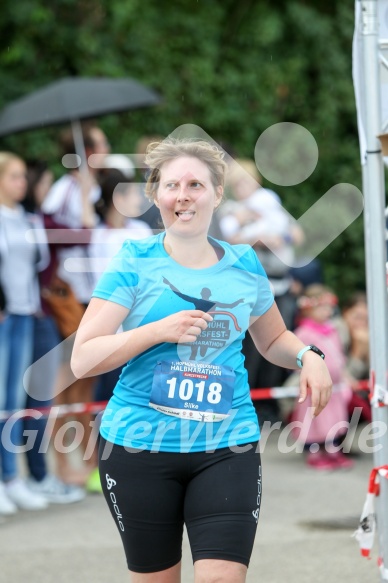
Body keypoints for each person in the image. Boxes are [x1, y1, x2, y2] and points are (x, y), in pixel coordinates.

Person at [71, 138, 332, 582]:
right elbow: (83, 358)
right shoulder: (135, 261)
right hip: (139, 445)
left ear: (217, 194)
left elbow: (273, 340)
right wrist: (157, 331)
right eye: (172, 185)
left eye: (196, 184)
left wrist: (309, 354)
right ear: (156, 195)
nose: (184, 195)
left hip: (226, 445)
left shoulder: (245, 263)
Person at [22, 160, 86, 504]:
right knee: (29, 397)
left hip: (42, 315)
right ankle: (30, 475)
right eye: (44, 183)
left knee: (41, 396)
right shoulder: (31, 221)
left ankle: (39, 474)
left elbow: (84, 233)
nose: (48, 191)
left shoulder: (38, 220)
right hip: (28, 316)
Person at [0, 152, 49, 514]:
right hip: (4, 317)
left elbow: (41, 261)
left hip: (25, 313)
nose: (22, 182)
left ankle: (13, 478)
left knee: (16, 400)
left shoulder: (26, 217)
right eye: (15, 176)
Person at [289, 284, 354, 470]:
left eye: (329, 307)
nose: (327, 311)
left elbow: (339, 356)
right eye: (322, 307)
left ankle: (333, 450)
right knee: (315, 419)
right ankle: (315, 452)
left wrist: (345, 375)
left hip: (335, 386)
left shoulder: (332, 330)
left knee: (334, 418)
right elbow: (297, 358)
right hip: (314, 388)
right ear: (308, 309)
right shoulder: (304, 333)